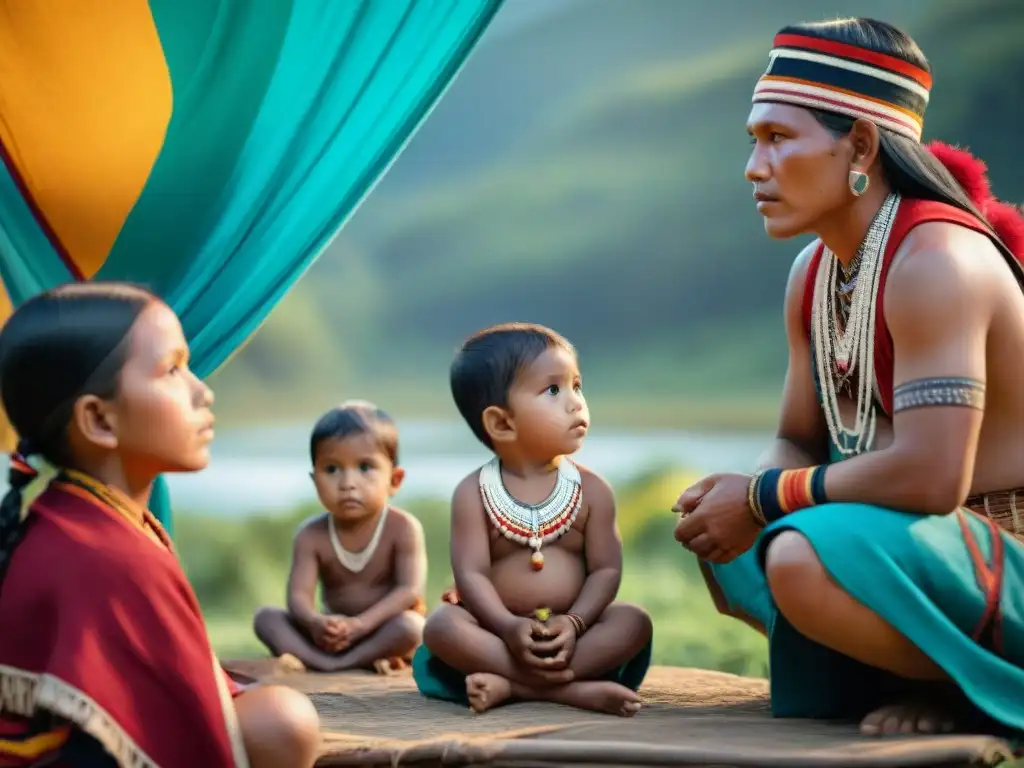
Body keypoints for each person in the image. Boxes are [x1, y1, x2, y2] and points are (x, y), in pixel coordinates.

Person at [672, 18, 1024, 738]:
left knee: (796, 554)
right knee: (737, 542)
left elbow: (932, 478)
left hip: (1004, 555)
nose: (753, 166)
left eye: (778, 139)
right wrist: (746, 496)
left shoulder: (936, 261)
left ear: (860, 146)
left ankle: (969, 688)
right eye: (752, 141)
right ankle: (917, 671)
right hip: (918, 547)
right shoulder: (814, 274)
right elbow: (794, 439)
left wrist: (765, 497)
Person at [0, 283, 321, 767]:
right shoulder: (110, 557)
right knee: (284, 722)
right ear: (98, 420)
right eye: (172, 369)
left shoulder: (82, 517)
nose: (202, 391)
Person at [413, 323, 652, 716]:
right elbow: (471, 575)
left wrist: (575, 623)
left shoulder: (592, 491)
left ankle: (515, 687)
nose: (576, 402)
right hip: (499, 633)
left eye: (577, 385)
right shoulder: (472, 493)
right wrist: (507, 626)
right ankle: (572, 692)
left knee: (632, 621)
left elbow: (606, 570)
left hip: (575, 631)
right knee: (441, 626)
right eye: (554, 390)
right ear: (501, 423)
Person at [253, 401, 426, 674]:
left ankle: (334, 663)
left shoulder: (403, 527)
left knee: (412, 627)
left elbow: (409, 591)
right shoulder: (311, 535)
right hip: (331, 634)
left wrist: (362, 625)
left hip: (381, 630)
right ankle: (327, 660)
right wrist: (315, 622)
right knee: (266, 618)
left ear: (394, 480)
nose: (347, 483)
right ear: (315, 481)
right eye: (332, 469)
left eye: (365, 467)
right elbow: (299, 596)